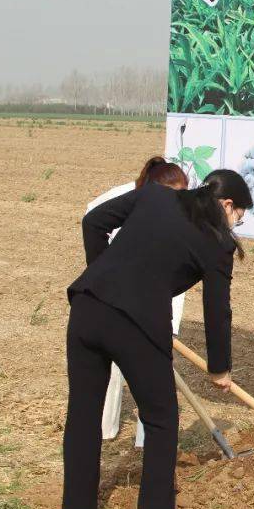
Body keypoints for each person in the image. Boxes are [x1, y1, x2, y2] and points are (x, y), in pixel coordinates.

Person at [62, 168, 252, 509]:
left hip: (87, 308)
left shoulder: (155, 196)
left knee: (84, 411)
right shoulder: (217, 245)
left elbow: (93, 222)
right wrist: (219, 369)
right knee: (162, 420)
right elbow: (217, 311)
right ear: (227, 204)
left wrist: (102, 275)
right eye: (238, 218)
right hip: (136, 327)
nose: (235, 225)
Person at [86, 157, 188, 448]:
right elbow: (92, 219)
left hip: (154, 301)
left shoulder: (178, 216)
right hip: (115, 301)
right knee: (109, 369)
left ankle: (147, 442)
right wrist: (102, 274)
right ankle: (104, 431)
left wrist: (168, 326)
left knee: (154, 379)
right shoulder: (119, 198)